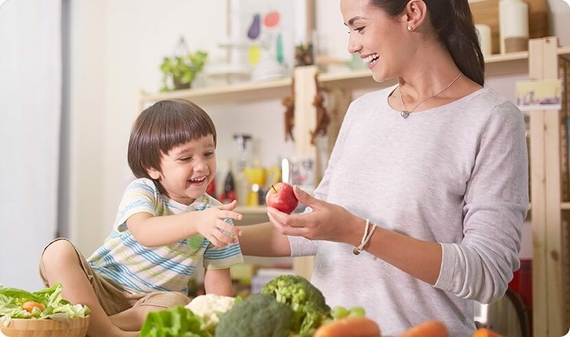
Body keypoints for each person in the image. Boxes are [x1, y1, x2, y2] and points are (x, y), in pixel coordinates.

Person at [239, 0, 529, 336]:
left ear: (412, 14)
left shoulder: (492, 119)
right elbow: (316, 230)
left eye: (359, 27)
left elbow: (487, 274)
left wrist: (356, 232)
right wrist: (210, 236)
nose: (352, 44)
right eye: (349, 31)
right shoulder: (361, 111)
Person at [39, 99, 244, 337]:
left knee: (179, 303)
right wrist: (197, 221)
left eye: (208, 153)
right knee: (57, 251)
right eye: (186, 158)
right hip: (98, 290)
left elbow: (218, 291)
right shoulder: (144, 190)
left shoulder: (217, 216)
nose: (201, 166)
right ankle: (108, 332)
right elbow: (145, 231)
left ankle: (93, 327)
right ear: (152, 167)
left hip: (148, 304)